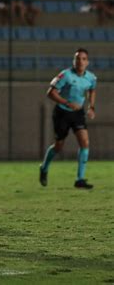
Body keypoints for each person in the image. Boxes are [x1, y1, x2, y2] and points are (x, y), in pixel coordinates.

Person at [39, 48, 97, 189]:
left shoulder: (91, 77)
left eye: (83, 59)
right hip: (62, 113)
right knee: (58, 147)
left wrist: (91, 107)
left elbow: (92, 89)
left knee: (85, 142)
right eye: (77, 58)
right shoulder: (65, 75)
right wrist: (67, 103)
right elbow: (50, 93)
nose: (80, 61)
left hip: (77, 113)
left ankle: (80, 179)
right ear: (73, 61)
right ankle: (44, 168)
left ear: (87, 62)